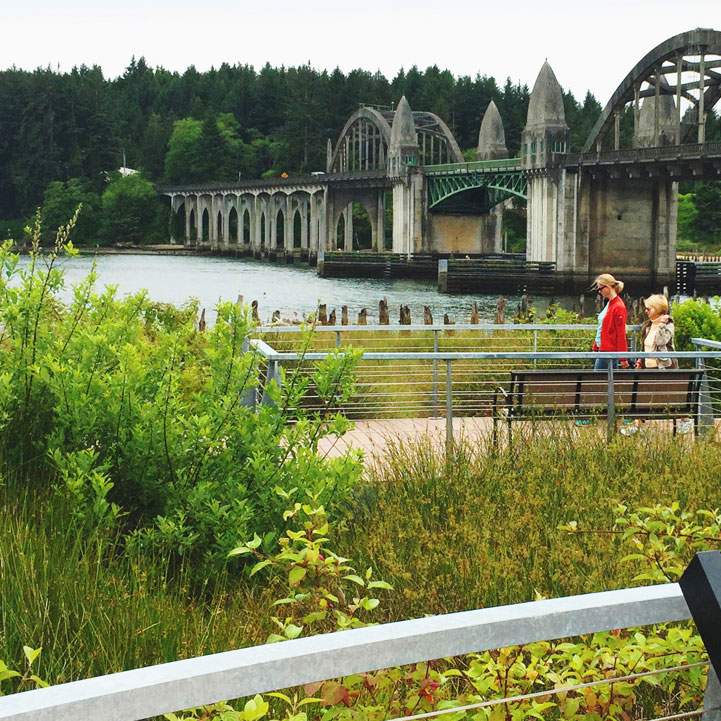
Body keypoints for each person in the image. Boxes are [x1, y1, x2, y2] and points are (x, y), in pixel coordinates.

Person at [622, 294, 692, 435]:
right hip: (648, 367)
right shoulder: (648, 326)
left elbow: (661, 342)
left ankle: (686, 420)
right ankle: (637, 426)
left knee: (671, 395)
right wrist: (641, 360)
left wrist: (661, 324)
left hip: (665, 366)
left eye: (649, 308)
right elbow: (646, 346)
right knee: (642, 396)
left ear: (658, 309)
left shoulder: (668, 325)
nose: (646, 311)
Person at [592, 273, 629, 370]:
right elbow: (603, 327)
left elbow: (621, 334)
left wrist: (623, 358)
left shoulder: (618, 307)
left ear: (608, 287)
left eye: (600, 289)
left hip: (608, 351)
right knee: (607, 380)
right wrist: (596, 346)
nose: (599, 292)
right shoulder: (611, 304)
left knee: (596, 381)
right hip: (604, 349)